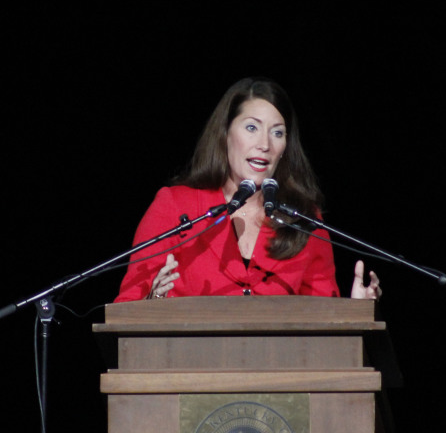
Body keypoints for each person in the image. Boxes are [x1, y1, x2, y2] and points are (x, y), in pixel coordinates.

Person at [115, 77, 381, 302]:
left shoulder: (303, 219)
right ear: (226, 134)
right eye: (252, 127)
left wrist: (353, 313)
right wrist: (153, 300)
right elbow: (127, 305)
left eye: (278, 133)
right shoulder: (175, 205)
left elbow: (323, 314)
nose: (264, 144)